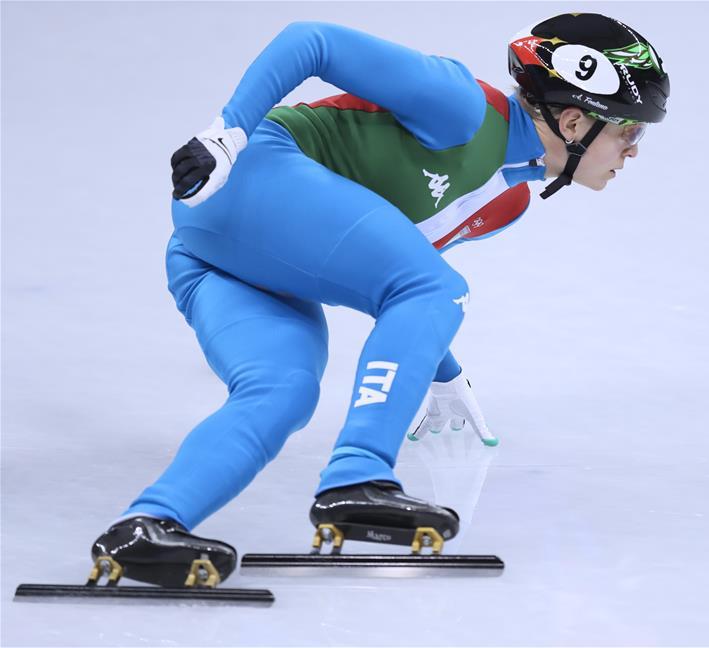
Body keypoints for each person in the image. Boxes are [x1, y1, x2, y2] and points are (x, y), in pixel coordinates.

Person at [90, 12, 670, 587]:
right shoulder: (463, 107)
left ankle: (145, 527)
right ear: (573, 121)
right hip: (243, 175)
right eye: (630, 131)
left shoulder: (507, 203)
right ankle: (357, 477)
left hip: (216, 253)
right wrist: (227, 132)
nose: (633, 151)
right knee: (438, 289)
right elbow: (310, 41)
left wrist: (439, 368)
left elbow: (379, 272)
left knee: (283, 391)